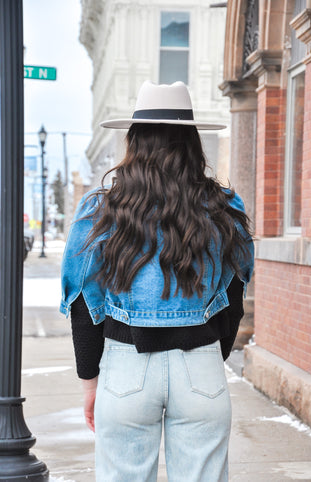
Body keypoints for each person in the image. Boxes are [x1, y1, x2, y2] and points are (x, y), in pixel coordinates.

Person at [60, 81, 254, 481]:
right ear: (192, 141)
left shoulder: (100, 208)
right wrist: (206, 358)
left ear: (134, 139)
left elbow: (83, 301)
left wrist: (89, 381)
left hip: (126, 368)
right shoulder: (224, 206)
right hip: (201, 367)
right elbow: (235, 295)